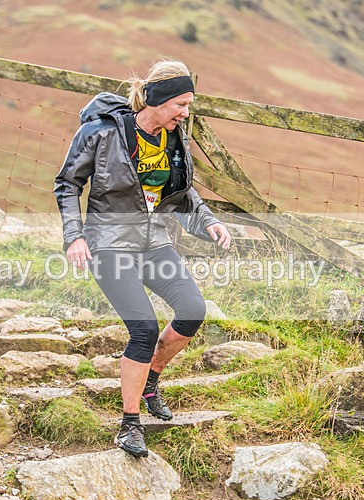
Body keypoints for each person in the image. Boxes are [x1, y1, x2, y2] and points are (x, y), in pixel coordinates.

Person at [54, 58, 231, 457]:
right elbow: (67, 184)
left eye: (188, 106)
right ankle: (130, 423)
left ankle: (150, 379)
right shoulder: (101, 132)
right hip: (109, 244)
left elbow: (183, 191)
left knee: (192, 310)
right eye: (180, 105)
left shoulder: (174, 138)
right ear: (158, 99)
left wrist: (208, 221)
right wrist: (74, 236)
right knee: (144, 329)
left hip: (154, 243)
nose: (185, 113)